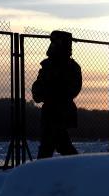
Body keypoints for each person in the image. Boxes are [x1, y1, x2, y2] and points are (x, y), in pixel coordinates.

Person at [31, 30, 82, 159]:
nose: (53, 45)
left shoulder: (71, 67)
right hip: (50, 111)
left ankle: (39, 173)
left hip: (61, 111)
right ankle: (79, 168)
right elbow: (37, 88)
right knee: (61, 145)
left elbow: (73, 89)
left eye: (56, 42)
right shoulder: (47, 65)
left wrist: (51, 92)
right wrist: (44, 93)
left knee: (49, 147)